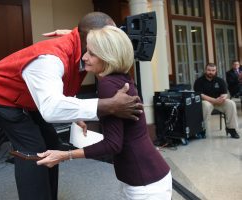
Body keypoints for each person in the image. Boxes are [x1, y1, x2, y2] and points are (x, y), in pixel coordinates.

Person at [0, 12, 143, 200]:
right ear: (88, 39)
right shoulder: (50, 59)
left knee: (51, 142)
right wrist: (108, 106)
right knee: (34, 150)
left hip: (28, 97)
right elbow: (51, 108)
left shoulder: (80, 44)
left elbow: (59, 89)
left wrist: (73, 113)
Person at [37, 26, 172, 200]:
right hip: (150, 174)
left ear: (108, 56)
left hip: (144, 184)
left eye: (91, 53)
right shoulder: (122, 78)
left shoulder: (108, 85)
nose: (84, 57)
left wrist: (65, 155)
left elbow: (113, 144)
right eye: (86, 51)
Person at [194, 63, 240, 139]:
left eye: (213, 70)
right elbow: (200, 95)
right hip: (207, 102)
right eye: (209, 70)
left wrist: (223, 97)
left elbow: (225, 93)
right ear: (205, 70)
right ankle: (203, 129)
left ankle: (231, 129)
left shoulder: (220, 80)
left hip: (219, 102)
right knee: (205, 104)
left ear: (216, 71)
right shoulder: (199, 81)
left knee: (231, 103)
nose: (210, 72)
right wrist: (214, 100)